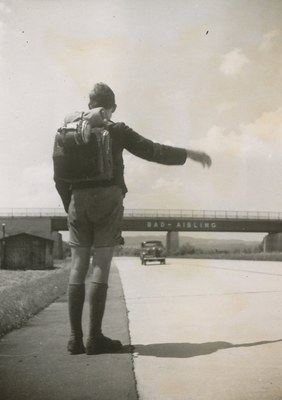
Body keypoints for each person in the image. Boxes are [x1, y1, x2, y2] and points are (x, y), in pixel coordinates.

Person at [53, 82, 212, 355]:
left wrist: (70, 206)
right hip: (109, 199)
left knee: (78, 266)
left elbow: (58, 176)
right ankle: (95, 338)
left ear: (89, 105)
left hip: (77, 200)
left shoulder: (67, 131)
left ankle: (74, 339)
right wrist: (189, 154)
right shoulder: (117, 130)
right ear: (112, 107)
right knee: (101, 264)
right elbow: (153, 151)